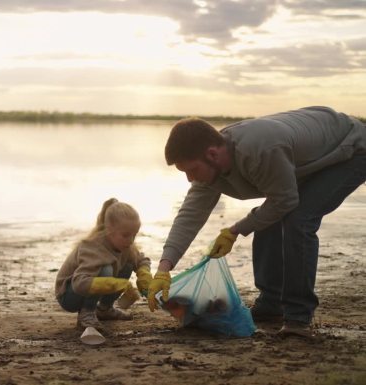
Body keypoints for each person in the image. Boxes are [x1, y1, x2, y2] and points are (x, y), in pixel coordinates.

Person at [147, 106, 366, 338]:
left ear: (212, 154)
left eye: (192, 170)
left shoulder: (260, 150)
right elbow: (190, 215)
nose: (190, 178)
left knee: (298, 219)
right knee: (267, 216)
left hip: (350, 149)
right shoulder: (211, 164)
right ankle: (271, 305)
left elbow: (284, 201)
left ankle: (298, 318)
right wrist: (164, 268)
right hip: (309, 157)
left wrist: (235, 230)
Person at [55, 198, 152, 332]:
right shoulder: (93, 246)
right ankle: (87, 313)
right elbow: (79, 283)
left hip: (83, 288)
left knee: (128, 265)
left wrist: (144, 274)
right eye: (125, 235)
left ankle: (104, 309)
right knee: (105, 270)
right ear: (109, 230)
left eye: (134, 235)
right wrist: (116, 284)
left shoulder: (125, 245)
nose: (130, 241)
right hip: (69, 295)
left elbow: (141, 260)